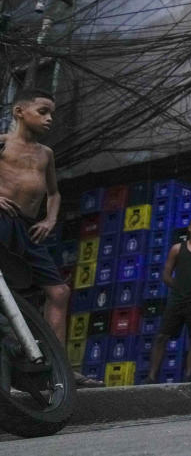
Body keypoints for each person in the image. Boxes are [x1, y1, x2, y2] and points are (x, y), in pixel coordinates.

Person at [0, 89, 103, 387]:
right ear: (20, 112)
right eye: (43, 111)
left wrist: (50, 218)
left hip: (28, 227)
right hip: (2, 221)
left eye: (51, 114)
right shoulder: (3, 143)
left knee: (59, 292)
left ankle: (60, 369)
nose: (49, 119)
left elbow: (54, 193)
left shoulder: (46, 154)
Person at [147, 215, 191, 383]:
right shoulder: (177, 249)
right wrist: (179, 288)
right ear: (189, 228)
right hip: (177, 299)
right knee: (161, 336)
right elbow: (166, 274)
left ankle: (188, 377)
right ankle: (151, 376)